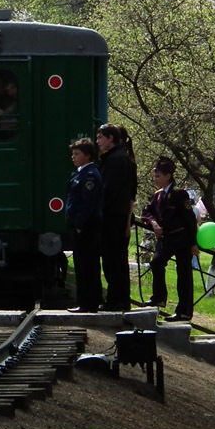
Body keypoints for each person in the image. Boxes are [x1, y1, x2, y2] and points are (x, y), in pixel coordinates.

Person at [142, 156, 199, 319]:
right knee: (156, 262)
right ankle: (159, 298)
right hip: (165, 239)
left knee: (184, 274)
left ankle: (184, 311)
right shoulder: (157, 195)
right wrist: (153, 224)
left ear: (168, 176)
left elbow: (189, 219)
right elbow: (147, 213)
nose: (155, 179)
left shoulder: (179, 194)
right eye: (155, 176)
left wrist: (193, 243)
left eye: (158, 175)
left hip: (181, 238)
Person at [96, 123, 136, 312]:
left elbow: (108, 190)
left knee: (113, 261)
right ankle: (121, 299)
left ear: (110, 138)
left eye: (100, 138)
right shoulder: (125, 159)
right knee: (118, 260)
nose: (98, 142)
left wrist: (97, 209)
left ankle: (115, 300)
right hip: (119, 216)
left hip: (112, 216)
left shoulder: (114, 160)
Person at [66, 138, 104, 313]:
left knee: (87, 264)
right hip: (81, 225)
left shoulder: (90, 175)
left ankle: (88, 302)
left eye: (77, 154)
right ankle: (88, 301)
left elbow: (88, 203)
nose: (73, 157)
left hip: (87, 226)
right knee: (82, 263)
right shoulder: (80, 173)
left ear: (87, 155)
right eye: (73, 154)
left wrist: (80, 224)